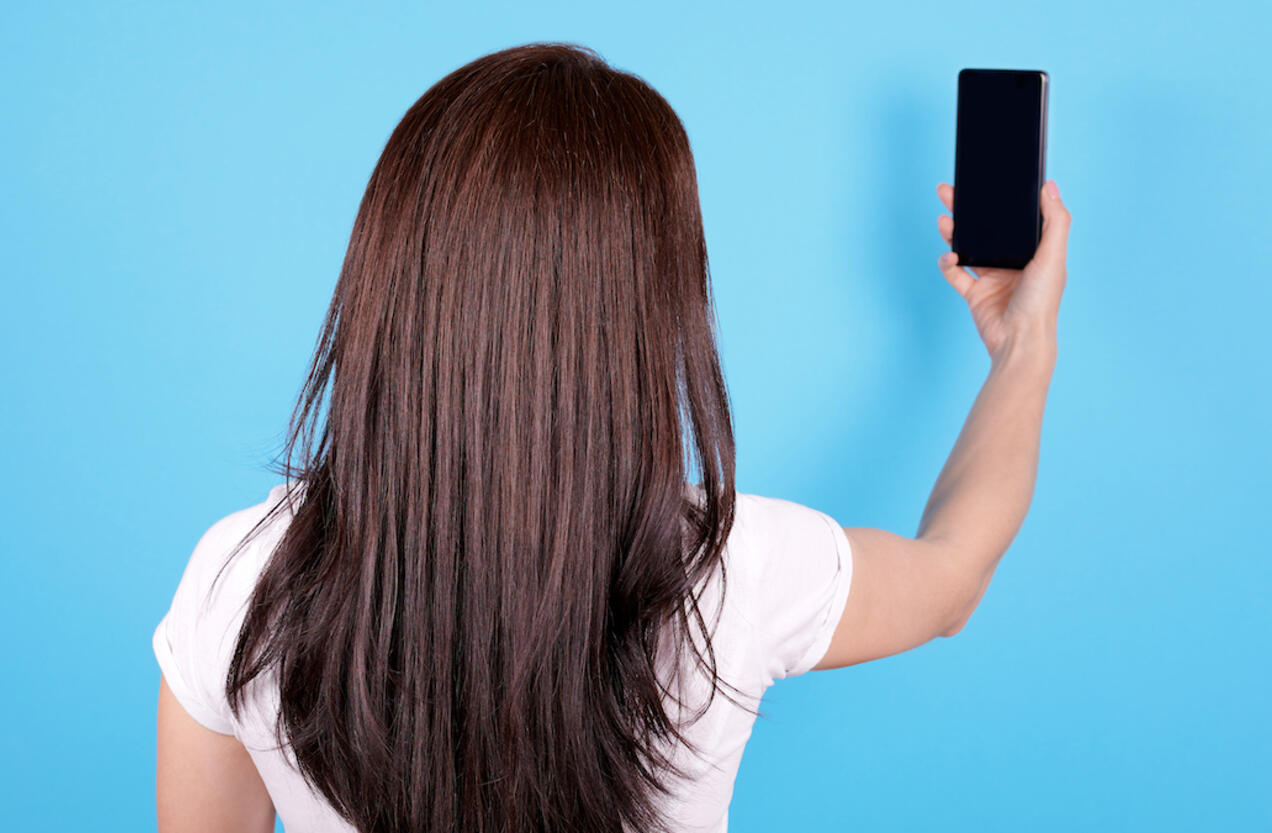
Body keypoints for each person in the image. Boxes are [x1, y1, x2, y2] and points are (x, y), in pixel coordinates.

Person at [152, 41, 1070, 833]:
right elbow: (952, 574)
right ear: (646, 313)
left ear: (396, 278)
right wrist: (1021, 345)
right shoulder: (728, 570)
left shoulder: (239, 579)